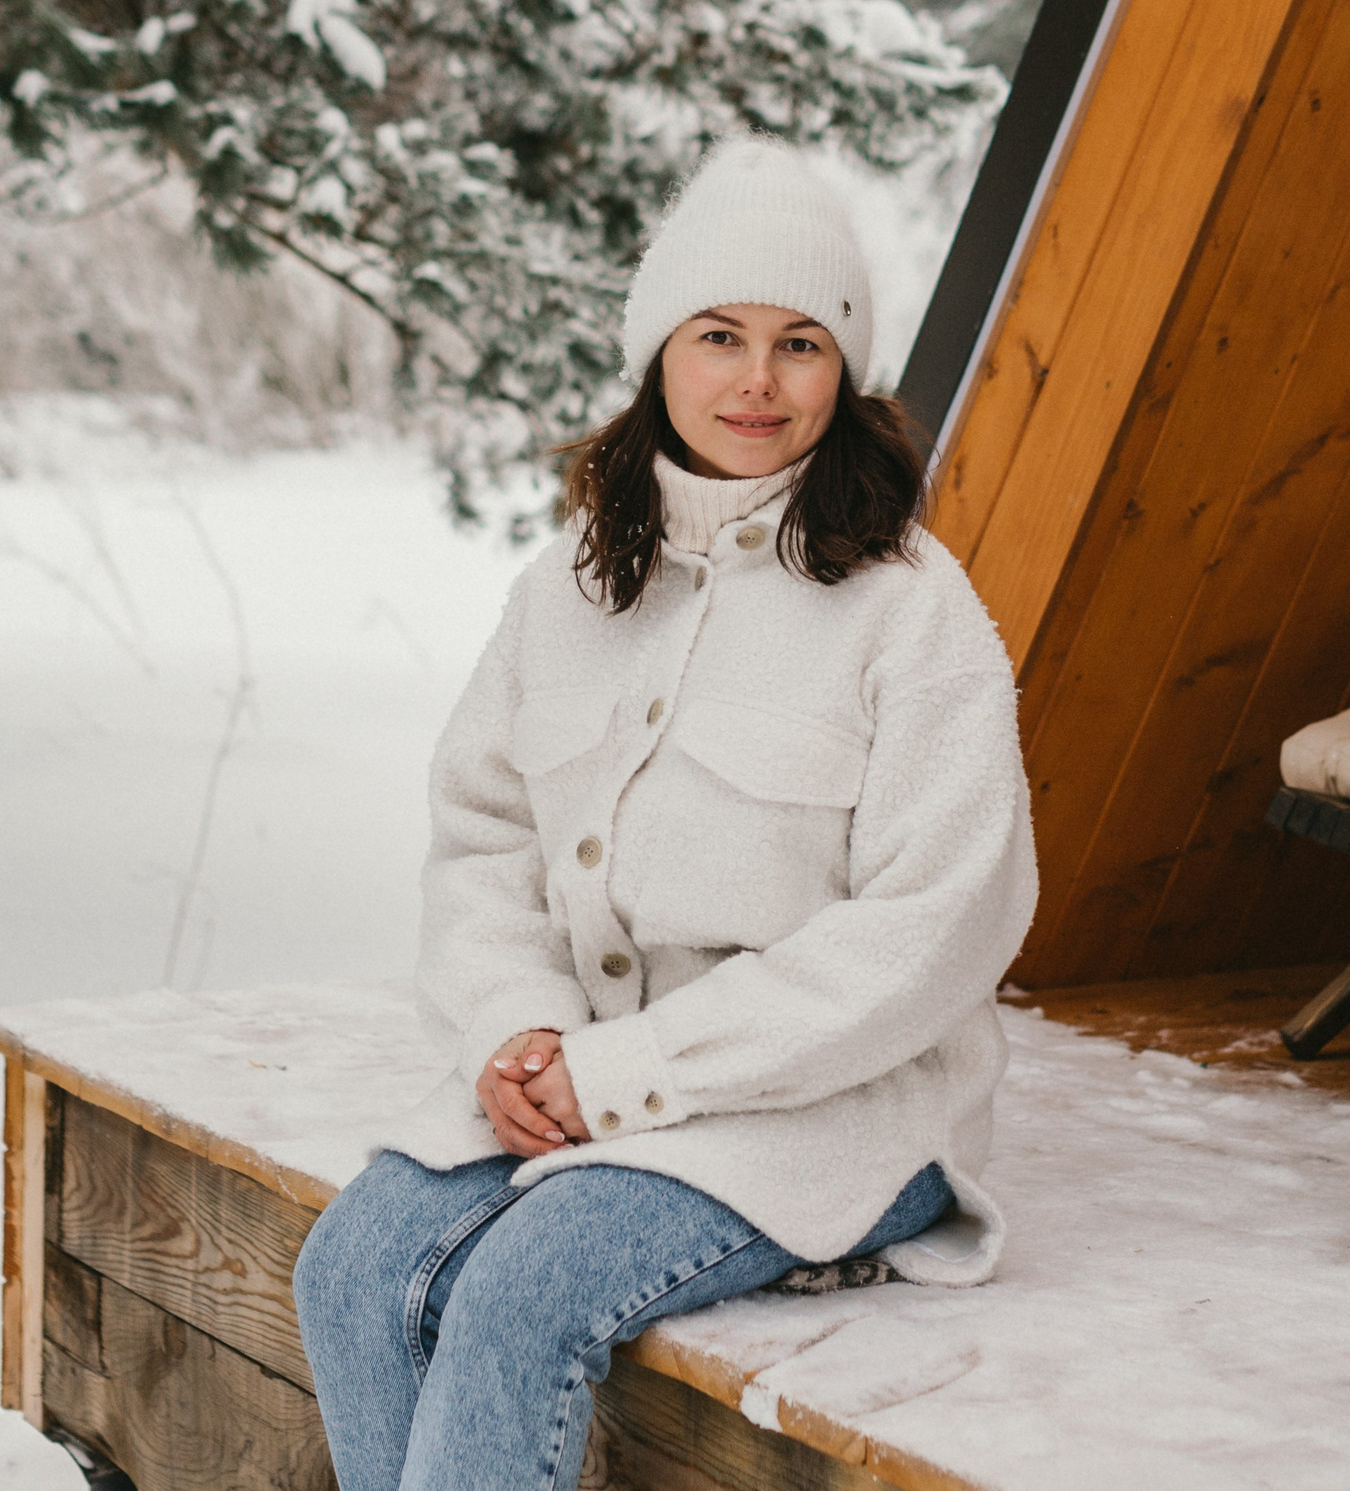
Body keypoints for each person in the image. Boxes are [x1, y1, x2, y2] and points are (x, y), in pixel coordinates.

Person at [291, 135, 1037, 1491]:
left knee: (520, 1300)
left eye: (801, 342)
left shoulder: (911, 611)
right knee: (351, 1269)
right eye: (719, 335)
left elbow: (929, 935)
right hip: (585, 1079)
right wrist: (518, 1032)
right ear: (658, 357)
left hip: (827, 1113)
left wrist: (629, 1078)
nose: (756, 380)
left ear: (846, 370)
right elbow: (484, 848)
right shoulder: (565, 590)